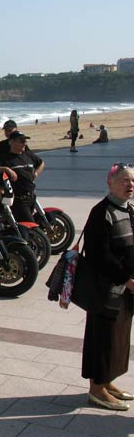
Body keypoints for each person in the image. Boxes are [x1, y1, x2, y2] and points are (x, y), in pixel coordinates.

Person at [81, 163, 134, 410]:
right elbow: (98, 255)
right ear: (110, 183)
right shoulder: (101, 212)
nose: (130, 184)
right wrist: (126, 279)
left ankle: (107, 381)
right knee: (102, 339)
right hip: (106, 291)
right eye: (124, 180)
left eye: (132, 180)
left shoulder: (128, 208)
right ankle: (96, 389)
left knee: (118, 338)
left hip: (125, 290)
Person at [0, 131, 44, 222]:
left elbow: (41, 163)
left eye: (25, 141)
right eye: (21, 141)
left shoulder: (28, 155)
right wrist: (6, 169)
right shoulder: (5, 158)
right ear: (11, 142)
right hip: (19, 200)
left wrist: (36, 173)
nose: (24, 144)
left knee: (28, 223)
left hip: (32, 196)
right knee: (30, 225)